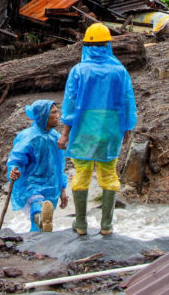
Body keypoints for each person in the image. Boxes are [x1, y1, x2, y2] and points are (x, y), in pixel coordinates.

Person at [58, 23, 137, 235]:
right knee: (109, 173)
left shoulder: (78, 71)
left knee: (81, 173)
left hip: (83, 130)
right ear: (108, 45)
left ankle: (81, 224)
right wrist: (127, 129)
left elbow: (71, 104)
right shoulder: (120, 72)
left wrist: (65, 134)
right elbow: (128, 101)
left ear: (86, 46)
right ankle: (106, 226)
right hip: (110, 131)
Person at [6, 99, 68, 232]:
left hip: (51, 185)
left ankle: (39, 241)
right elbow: (16, 159)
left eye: (58, 112)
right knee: (37, 206)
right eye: (54, 112)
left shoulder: (56, 137)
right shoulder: (28, 137)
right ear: (43, 115)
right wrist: (13, 170)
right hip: (31, 183)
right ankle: (41, 225)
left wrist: (63, 189)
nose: (58, 116)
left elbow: (60, 166)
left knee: (44, 215)